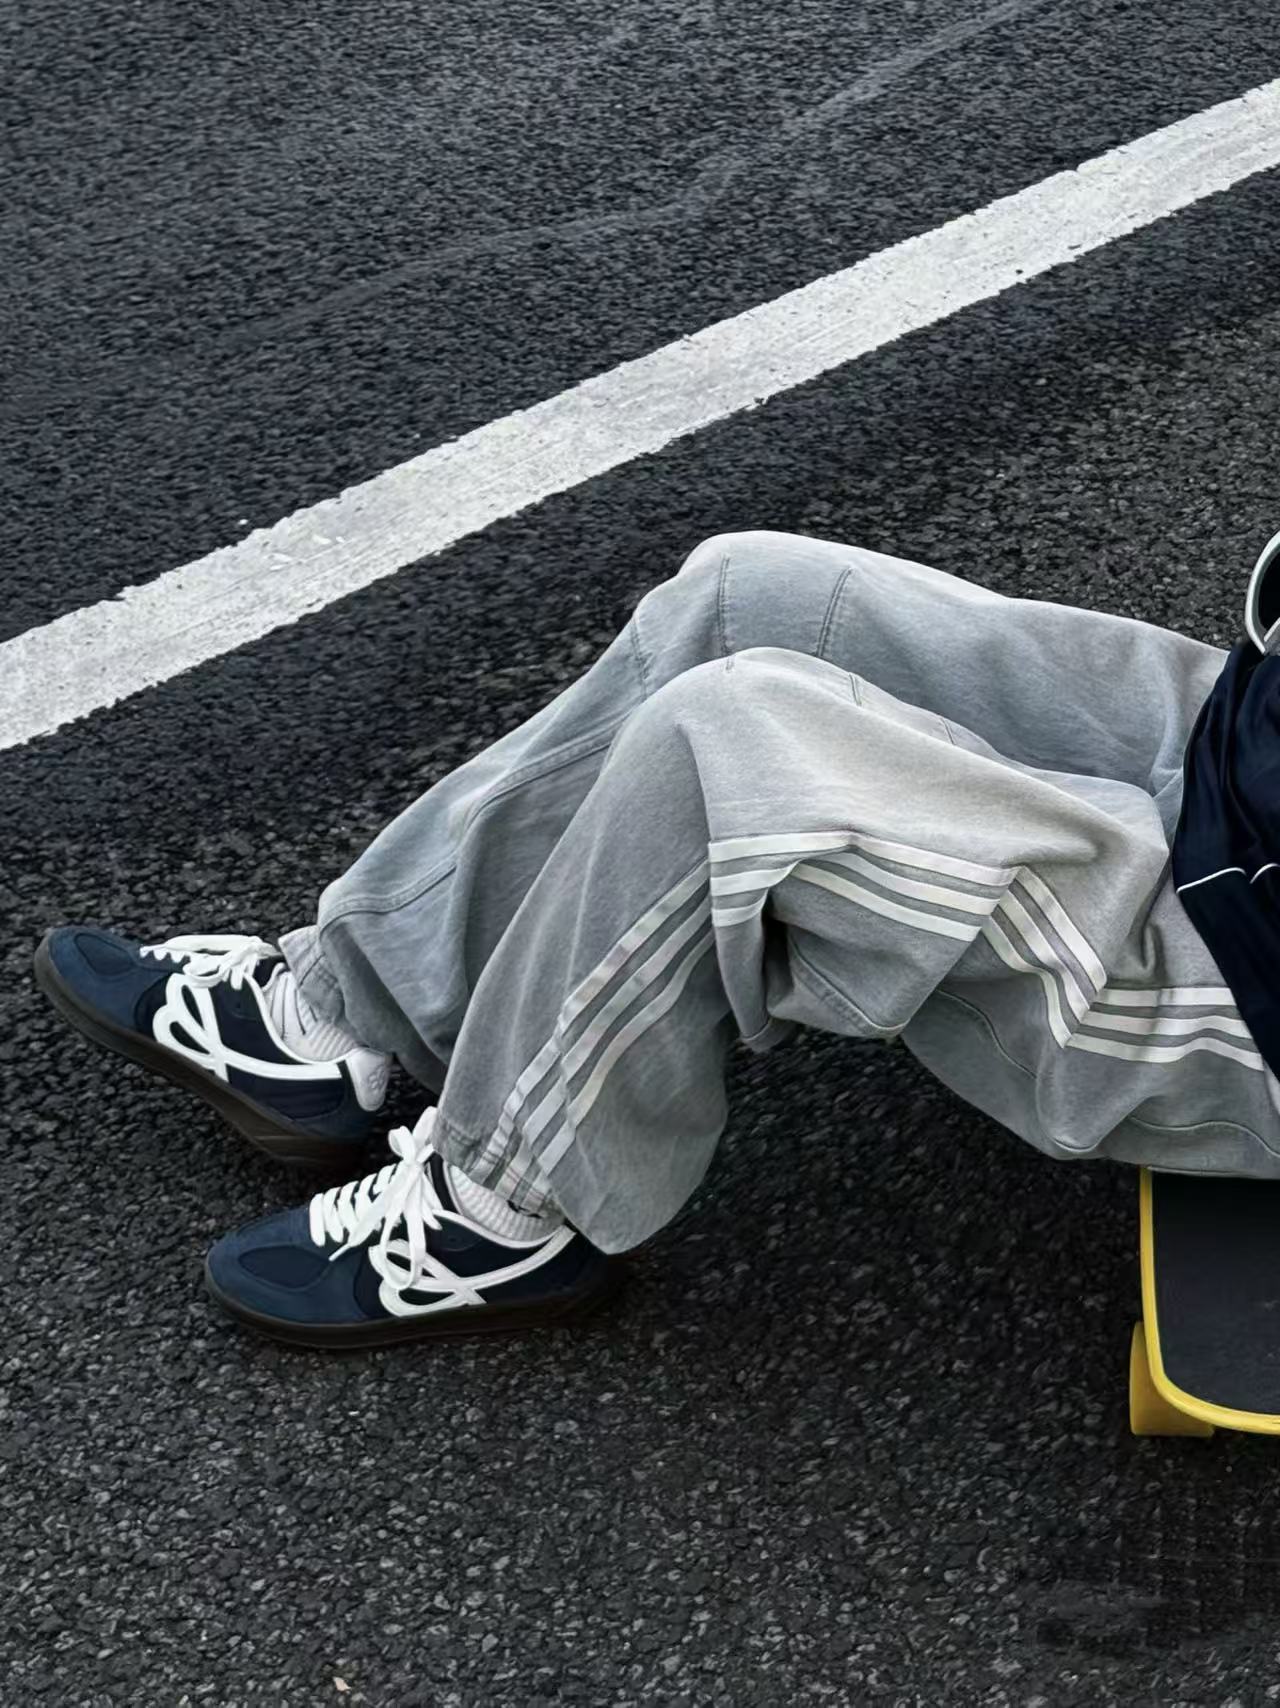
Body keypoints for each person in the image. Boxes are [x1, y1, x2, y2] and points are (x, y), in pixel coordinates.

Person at [33, 530, 1280, 1350]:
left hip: (1245, 973)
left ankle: (503, 1205)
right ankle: (341, 1014)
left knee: (730, 754)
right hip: (1236, 760)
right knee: (750, 596)